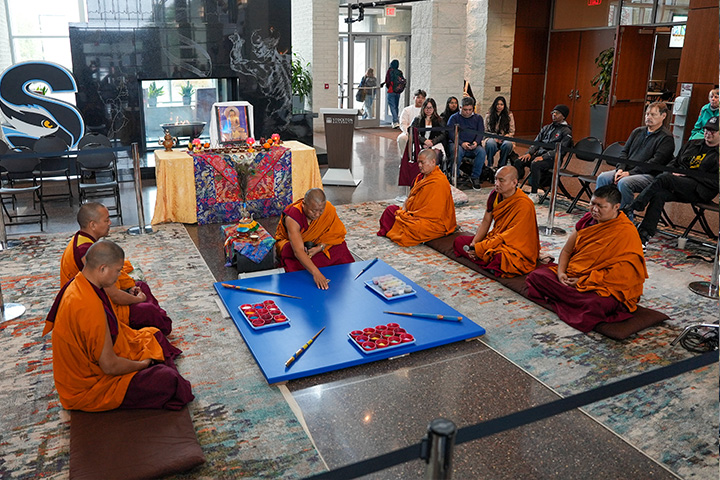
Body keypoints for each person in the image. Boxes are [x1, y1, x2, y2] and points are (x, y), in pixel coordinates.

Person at [44, 241, 194, 412]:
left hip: (100, 362)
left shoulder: (81, 283)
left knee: (155, 336)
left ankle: (155, 365)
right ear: (103, 269)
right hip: (88, 387)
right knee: (169, 381)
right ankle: (155, 368)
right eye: (117, 271)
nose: (118, 276)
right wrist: (142, 364)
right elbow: (109, 366)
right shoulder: (87, 305)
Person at [526, 185, 647, 333]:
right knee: (536, 276)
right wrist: (561, 273)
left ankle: (566, 299)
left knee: (594, 305)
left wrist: (583, 281)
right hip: (573, 276)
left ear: (616, 206)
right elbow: (567, 251)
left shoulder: (626, 232)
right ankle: (571, 301)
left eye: (600, 206)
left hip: (599, 286)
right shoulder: (586, 221)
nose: (594, 209)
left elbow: (625, 275)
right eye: (592, 204)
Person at [59, 202, 172, 335]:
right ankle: (155, 322)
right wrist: (138, 300)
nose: (110, 223)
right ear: (92, 225)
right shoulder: (84, 251)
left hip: (103, 296)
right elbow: (113, 295)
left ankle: (154, 319)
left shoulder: (82, 239)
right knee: (147, 310)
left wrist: (129, 288)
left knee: (141, 286)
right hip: (97, 307)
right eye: (106, 220)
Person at [627, 116, 720, 246]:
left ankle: (635, 206)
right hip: (678, 183)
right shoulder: (693, 144)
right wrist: (671, 171)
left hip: (701, 190)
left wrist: (688, 175)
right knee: (659, 194)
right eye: (706, 129)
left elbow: (717, 183)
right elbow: (674, 162)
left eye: (713, 131)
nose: (708, 133)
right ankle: (644, 235)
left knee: (665, 178)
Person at [453, 166, 539, 277]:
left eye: (501, 180)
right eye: (496, 179)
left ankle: (487, 261)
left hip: (514, 247)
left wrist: (480, 248)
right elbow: (486, 221)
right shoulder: (495, 196)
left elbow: (507, 236)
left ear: (514, 182)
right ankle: (486, 262)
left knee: (499, 258)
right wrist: (474, 244)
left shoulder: (524, 204)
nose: (497, 184)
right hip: (495, 240)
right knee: (459, 241)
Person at [595, 101, 674, 211]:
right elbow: (624, 152)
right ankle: (600, 210)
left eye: (653, 114)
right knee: (603, 177)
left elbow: (655, 163)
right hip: (627, 170)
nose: (648, 117)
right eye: (647, 114)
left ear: (663, 116)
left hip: (649, 175)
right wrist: (620, 169)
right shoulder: (637, 131)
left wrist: (630, 173)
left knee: (624, 182)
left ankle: (625, 214)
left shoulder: (666, 138)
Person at [274, 188, 354, 290]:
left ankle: (312, 264)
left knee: (340, 247)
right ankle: (309, 267)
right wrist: (316, 273)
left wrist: (320, 247)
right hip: (295, 244)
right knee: (289, 251)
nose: (317, 215)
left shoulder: (328, 209)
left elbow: (335, 234)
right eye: (313, 211)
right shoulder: (293, 218)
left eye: (321, 210)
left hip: (315, 244)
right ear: (303, 204)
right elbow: (298, 251)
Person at [378, 149, 457, 246]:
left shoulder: (439, 182)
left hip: (432, 222)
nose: (419, 165)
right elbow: (412, 198)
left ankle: (398, 229)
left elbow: (433, 213)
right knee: (390, 210)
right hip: (413, 214)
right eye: (418, 162)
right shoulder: (421, 177)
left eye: (422, 162)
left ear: (433, 162)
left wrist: (407, 214)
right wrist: (406, 210)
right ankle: (398, 228)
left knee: (414, 228)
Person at [513, 104, 573, 203]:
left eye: (557, 113)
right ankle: (515, 188)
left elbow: (560, 150)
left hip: (552, 159)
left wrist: (544, 157)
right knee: (519, 161)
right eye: (553, 113)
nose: (554, 115)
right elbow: (536, 142)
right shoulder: (547, 127)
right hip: (539, 155)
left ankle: (534, 193)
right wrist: (529, 153)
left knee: (535, 164)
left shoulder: (566, 131)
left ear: (563, 116)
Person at [447, 96, 486, 190]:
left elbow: (481, 132)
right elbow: (451, 133)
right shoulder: (454, 118)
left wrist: (476, 142)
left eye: (470, 110)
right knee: (458, 151)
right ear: (460, 108)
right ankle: (454, 176)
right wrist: (461, 143)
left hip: (473, 144)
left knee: (481, 152)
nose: (468, 112)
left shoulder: (478, 118)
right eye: (465, 110)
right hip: (457, 143)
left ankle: (475, 177)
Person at [484, 96, 516, 168]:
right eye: (498, 104)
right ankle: (490, 165)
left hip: (505, 137)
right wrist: (494, 137)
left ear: (504, 106)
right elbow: (485, 130)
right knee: (490, 143)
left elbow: (512, 131)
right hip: (492, 137)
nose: (499, 106)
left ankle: (502, 165)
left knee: (508, 144)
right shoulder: (489, 115)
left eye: (501, 104)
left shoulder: (509, 115)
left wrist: (506, 136)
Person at [397, 89, 426, 154]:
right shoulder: (407, 110)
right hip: (409, 133)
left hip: (424, 133)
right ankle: (404, 159)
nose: (420, 100)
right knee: (402, 138)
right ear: (414, 98)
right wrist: (409, 132)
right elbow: (403, 124)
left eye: (422, 98)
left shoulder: (427, 110)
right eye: (418, 97)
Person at [382, 59, 404, 128]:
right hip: (398, 91)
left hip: (391, 91)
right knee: (396, 106)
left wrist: (386, 85)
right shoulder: (399, 72)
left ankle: (395, 121)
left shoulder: (390, 71)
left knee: (392, 106)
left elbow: (387, 81)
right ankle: (396, 121)